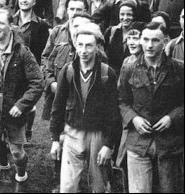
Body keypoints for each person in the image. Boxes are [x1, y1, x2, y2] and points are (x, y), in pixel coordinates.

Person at [0, 9, 44, 193]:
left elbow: (38, 83)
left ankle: (21, 176)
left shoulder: (22, 52)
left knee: (16, 153)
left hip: (14, 109)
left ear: (10, 26)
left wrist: (22, 105)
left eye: (1, 23)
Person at [50, 24, 120, 193]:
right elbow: (58, 106)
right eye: (80, 44)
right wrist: (54, 139)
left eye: (89, 45)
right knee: (67, 186)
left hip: (98, 134)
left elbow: (113, 112)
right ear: (75, 44)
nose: (84, 50)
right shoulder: (68, 71)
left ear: (97, 47)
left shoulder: (106, 73)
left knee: (99, 185)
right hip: (73, 132)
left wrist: (109, 145)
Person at [118, 22, 184, 193]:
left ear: (166, 41)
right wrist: (134, 118)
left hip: (169, 144)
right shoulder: (129, 68)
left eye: (155, 40)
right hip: (139, 142)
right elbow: (121, 101)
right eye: (145, 39)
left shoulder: (179, 69)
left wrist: (172, 117)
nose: (149, 45)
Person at [13, 0, 50, 142]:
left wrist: (40, 70)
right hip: (13, 68)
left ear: (34, 2)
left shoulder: (41, 25)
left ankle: (27, 129)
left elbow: (44, 50)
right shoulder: (10, 21)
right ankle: (16, 134)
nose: (24, 0)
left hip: (30, 69)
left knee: (29, 104)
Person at [115, 28, 144, 193]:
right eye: (129, 39)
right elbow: (121, 91)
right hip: (128, 117)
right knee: (125, 159)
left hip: (144, 116)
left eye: (136, 38)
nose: (132, 42)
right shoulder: (127, 61)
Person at [104, 1, 145, 76]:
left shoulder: (139, 33)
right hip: (112, 75)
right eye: (122, 14)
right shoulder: (112, 31)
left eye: (129, 15)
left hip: (131, 74)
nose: (125, 18)